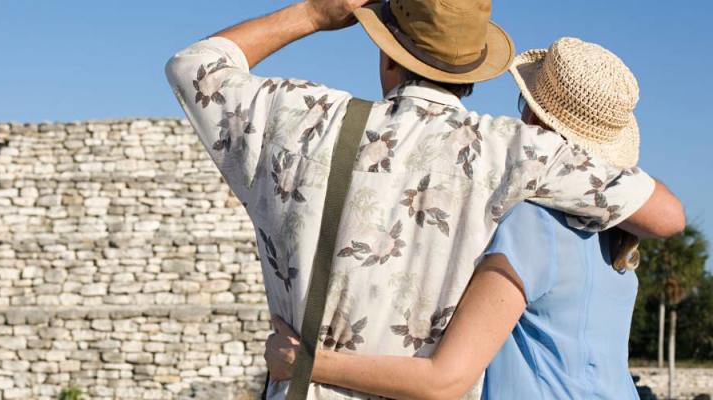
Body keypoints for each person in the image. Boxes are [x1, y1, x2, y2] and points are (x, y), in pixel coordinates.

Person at [164, 0, 685, 398]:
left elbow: (194, 66)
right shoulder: (517, 152)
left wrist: (314, 13)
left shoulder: (301, 117)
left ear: (387, 51)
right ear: (474, 70)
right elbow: (665, 215)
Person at [264, 38, 655, 399]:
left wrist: (308, 362)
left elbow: (445, 379)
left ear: (536, 124)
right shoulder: (616, 242)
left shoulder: (533, 225)